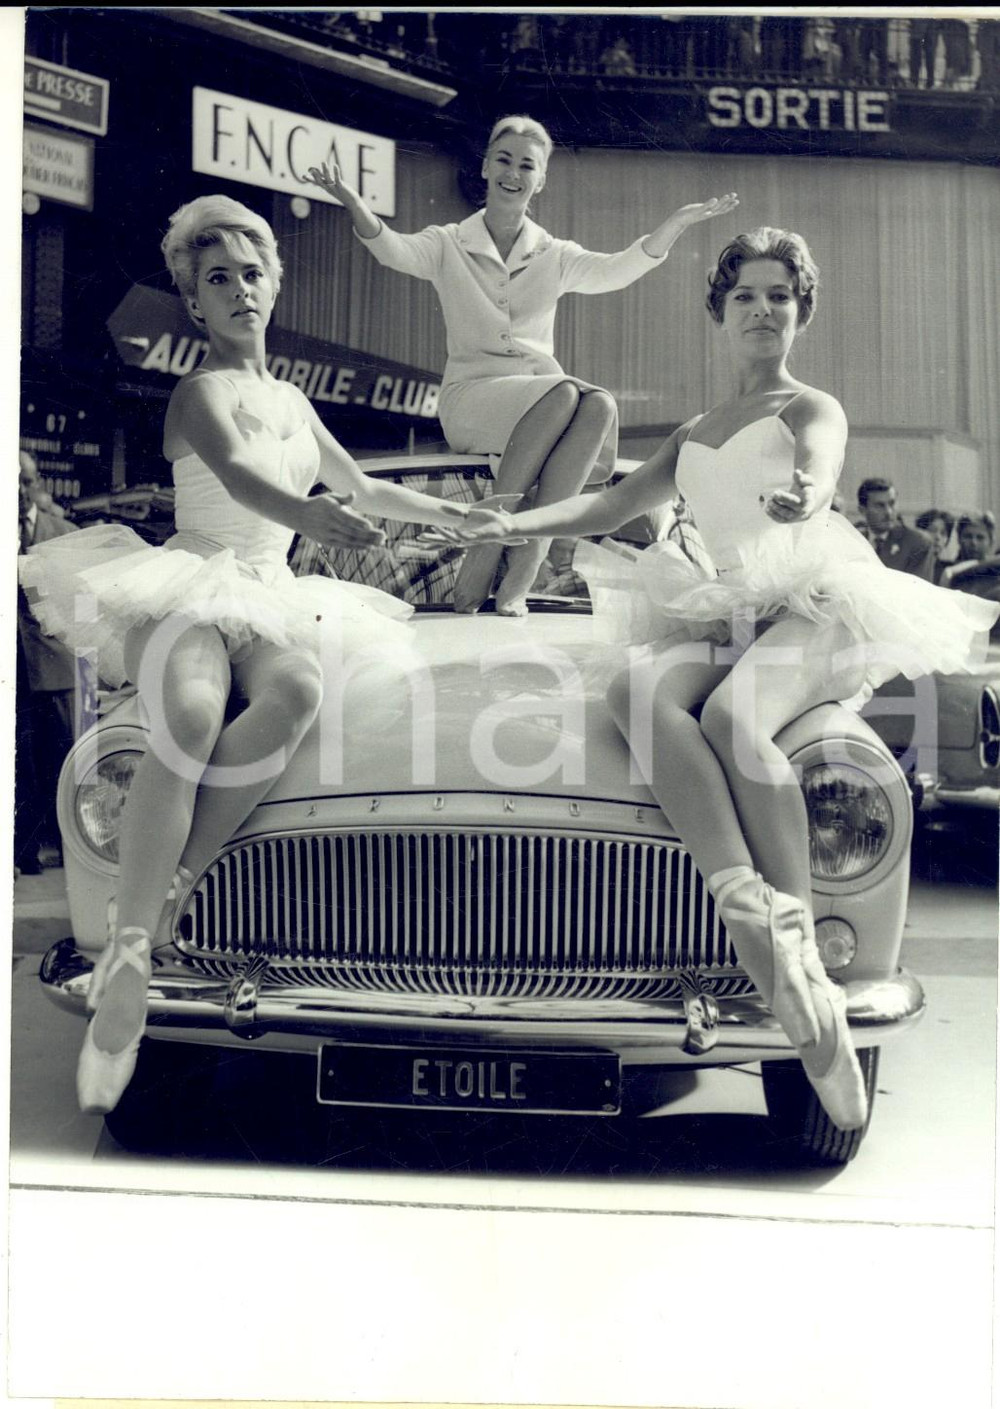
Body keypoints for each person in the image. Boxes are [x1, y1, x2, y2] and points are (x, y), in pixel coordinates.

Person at [421, 227, 999, 1131]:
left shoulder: (811, 406)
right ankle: (748, 908)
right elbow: (610, 503)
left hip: (808, 601)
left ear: (800, 311)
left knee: (733, 716)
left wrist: (803, 496)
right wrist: (511, 525)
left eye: (779, 295)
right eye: (745, 298)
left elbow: (819, 468)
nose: (762, 310)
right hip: (724, 605)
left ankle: (799, 957)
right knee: (634, 693)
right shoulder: (693, 434)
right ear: (720, 317)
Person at [18, 195, 507, 1116]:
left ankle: (175, 884)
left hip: (275, 595)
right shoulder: (198, 392)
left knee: (297, 691)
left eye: (252, 274)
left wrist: (459, 513)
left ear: (272, 289)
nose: (239, 290)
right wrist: (311, 516)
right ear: (194, 304)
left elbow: (359, 485)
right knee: (193, 713)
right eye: (218, 280)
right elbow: (245, 482)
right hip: (195, 582)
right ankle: (127, 952)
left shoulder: (292, 399)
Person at [307, 118, 737, 616]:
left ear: (540, 180)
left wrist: (676, 224)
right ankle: (493, 543)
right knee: (567, 393)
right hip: (473, 399)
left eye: (527, 165)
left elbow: (617, 269)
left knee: (598, 402)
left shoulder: (553, 254)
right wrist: (351, 200)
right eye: (505, 160)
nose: (514, 172)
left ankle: (526, 550)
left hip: (548, 407)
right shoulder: (448, 243)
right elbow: (393, 249)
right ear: (487, 167)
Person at [15, 452, 86, 874]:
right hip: (13, 678)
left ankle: (74, 852)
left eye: (25, 480)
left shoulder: (66, 535)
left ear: (37, 482)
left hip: (58, 673)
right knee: (19, 766)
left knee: (66, 767)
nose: (19, 490)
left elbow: (87, 613)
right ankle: (22, 854)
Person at [856, 477, 935, 579]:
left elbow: (918, 589)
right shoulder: (854, 541)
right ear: (862, 510)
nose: (888, 512)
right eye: (880, 506)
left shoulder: (918, 543)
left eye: (892, 503)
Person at [915, 507, 956, 584]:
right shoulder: (911, 565)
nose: (938, 537)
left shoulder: (948, 571)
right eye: (932, 530)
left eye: (943, 533)